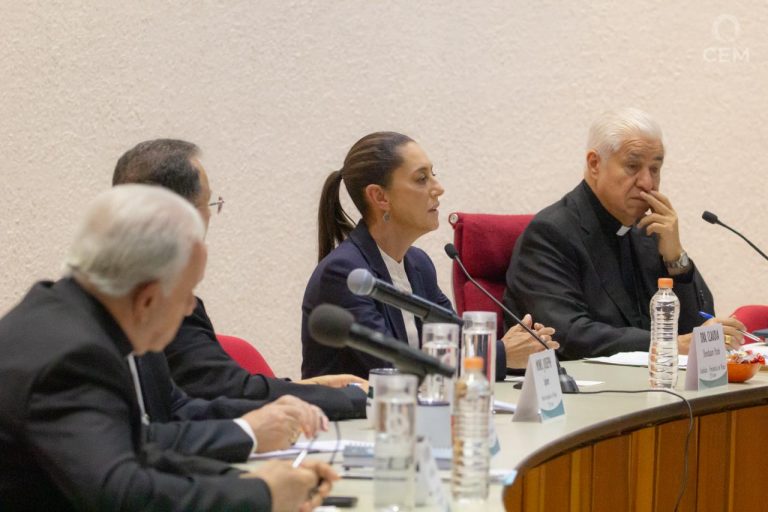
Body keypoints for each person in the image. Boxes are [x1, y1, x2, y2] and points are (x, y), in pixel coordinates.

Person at [0, 185, 336, 511]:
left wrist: (251, 482)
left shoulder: (62, 315)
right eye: (187, 293)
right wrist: (262, 495)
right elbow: (122, 495)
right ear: (147, 300)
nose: (190, 308)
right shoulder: (74, 358)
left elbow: (139, 448)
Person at [112, 139, 367, 421]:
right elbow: (226, 389)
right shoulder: (153, 294)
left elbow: (183, 407)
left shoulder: (129, 284)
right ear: (182, 214)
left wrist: (308, 390)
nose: (210, 215)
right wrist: (352, 400)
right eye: (209, 203)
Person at [301, 131, 558, 380]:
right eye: (421, 179)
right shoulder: (346, 273)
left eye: (433, 175)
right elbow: (393, 369)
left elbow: (457, 342)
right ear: (380, 197)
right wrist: (500, 354)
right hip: (359, 410)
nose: (439, 188)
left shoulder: (418, 264)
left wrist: (519, 347)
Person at [503, 107, 746, 359]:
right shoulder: (550, 234)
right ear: (595, 164)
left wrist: (676, 260)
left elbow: (697, 327)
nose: (647, 183)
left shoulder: (649, 230)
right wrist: (668, 344)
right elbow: (565, 335)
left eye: (655, 169)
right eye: (633, 166)